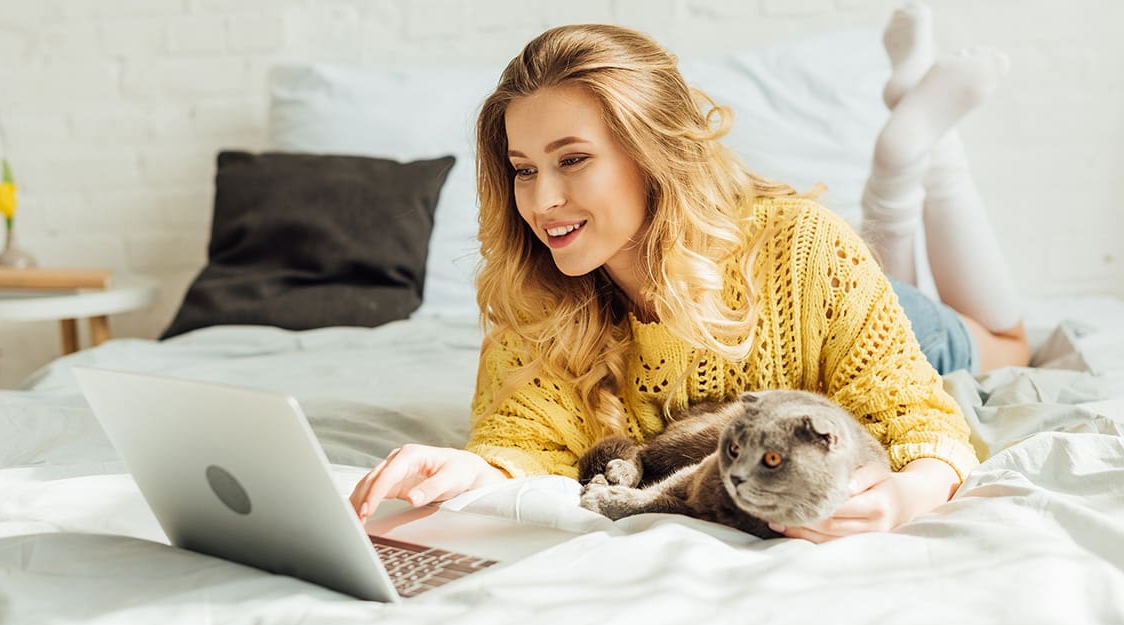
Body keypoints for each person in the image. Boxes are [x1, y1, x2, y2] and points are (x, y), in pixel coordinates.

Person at [350, 20, 987, 544]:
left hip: (862, 304)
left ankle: (906, 171)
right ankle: (896, 186)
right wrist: (471, 468)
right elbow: (525, 438)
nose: (542, 200)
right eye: (523, 169)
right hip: (834, 281)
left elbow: (925, 425)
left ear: (651, 154)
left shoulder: (808, 248)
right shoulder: (539, 287)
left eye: (573, 159)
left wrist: (906, 495)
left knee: (996, 338)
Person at [861, 1, 1030, 375]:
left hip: (875, 328)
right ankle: (912, 154)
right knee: (1013, 345)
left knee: (1010, 347)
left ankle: (903, 166)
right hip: (835, 292)